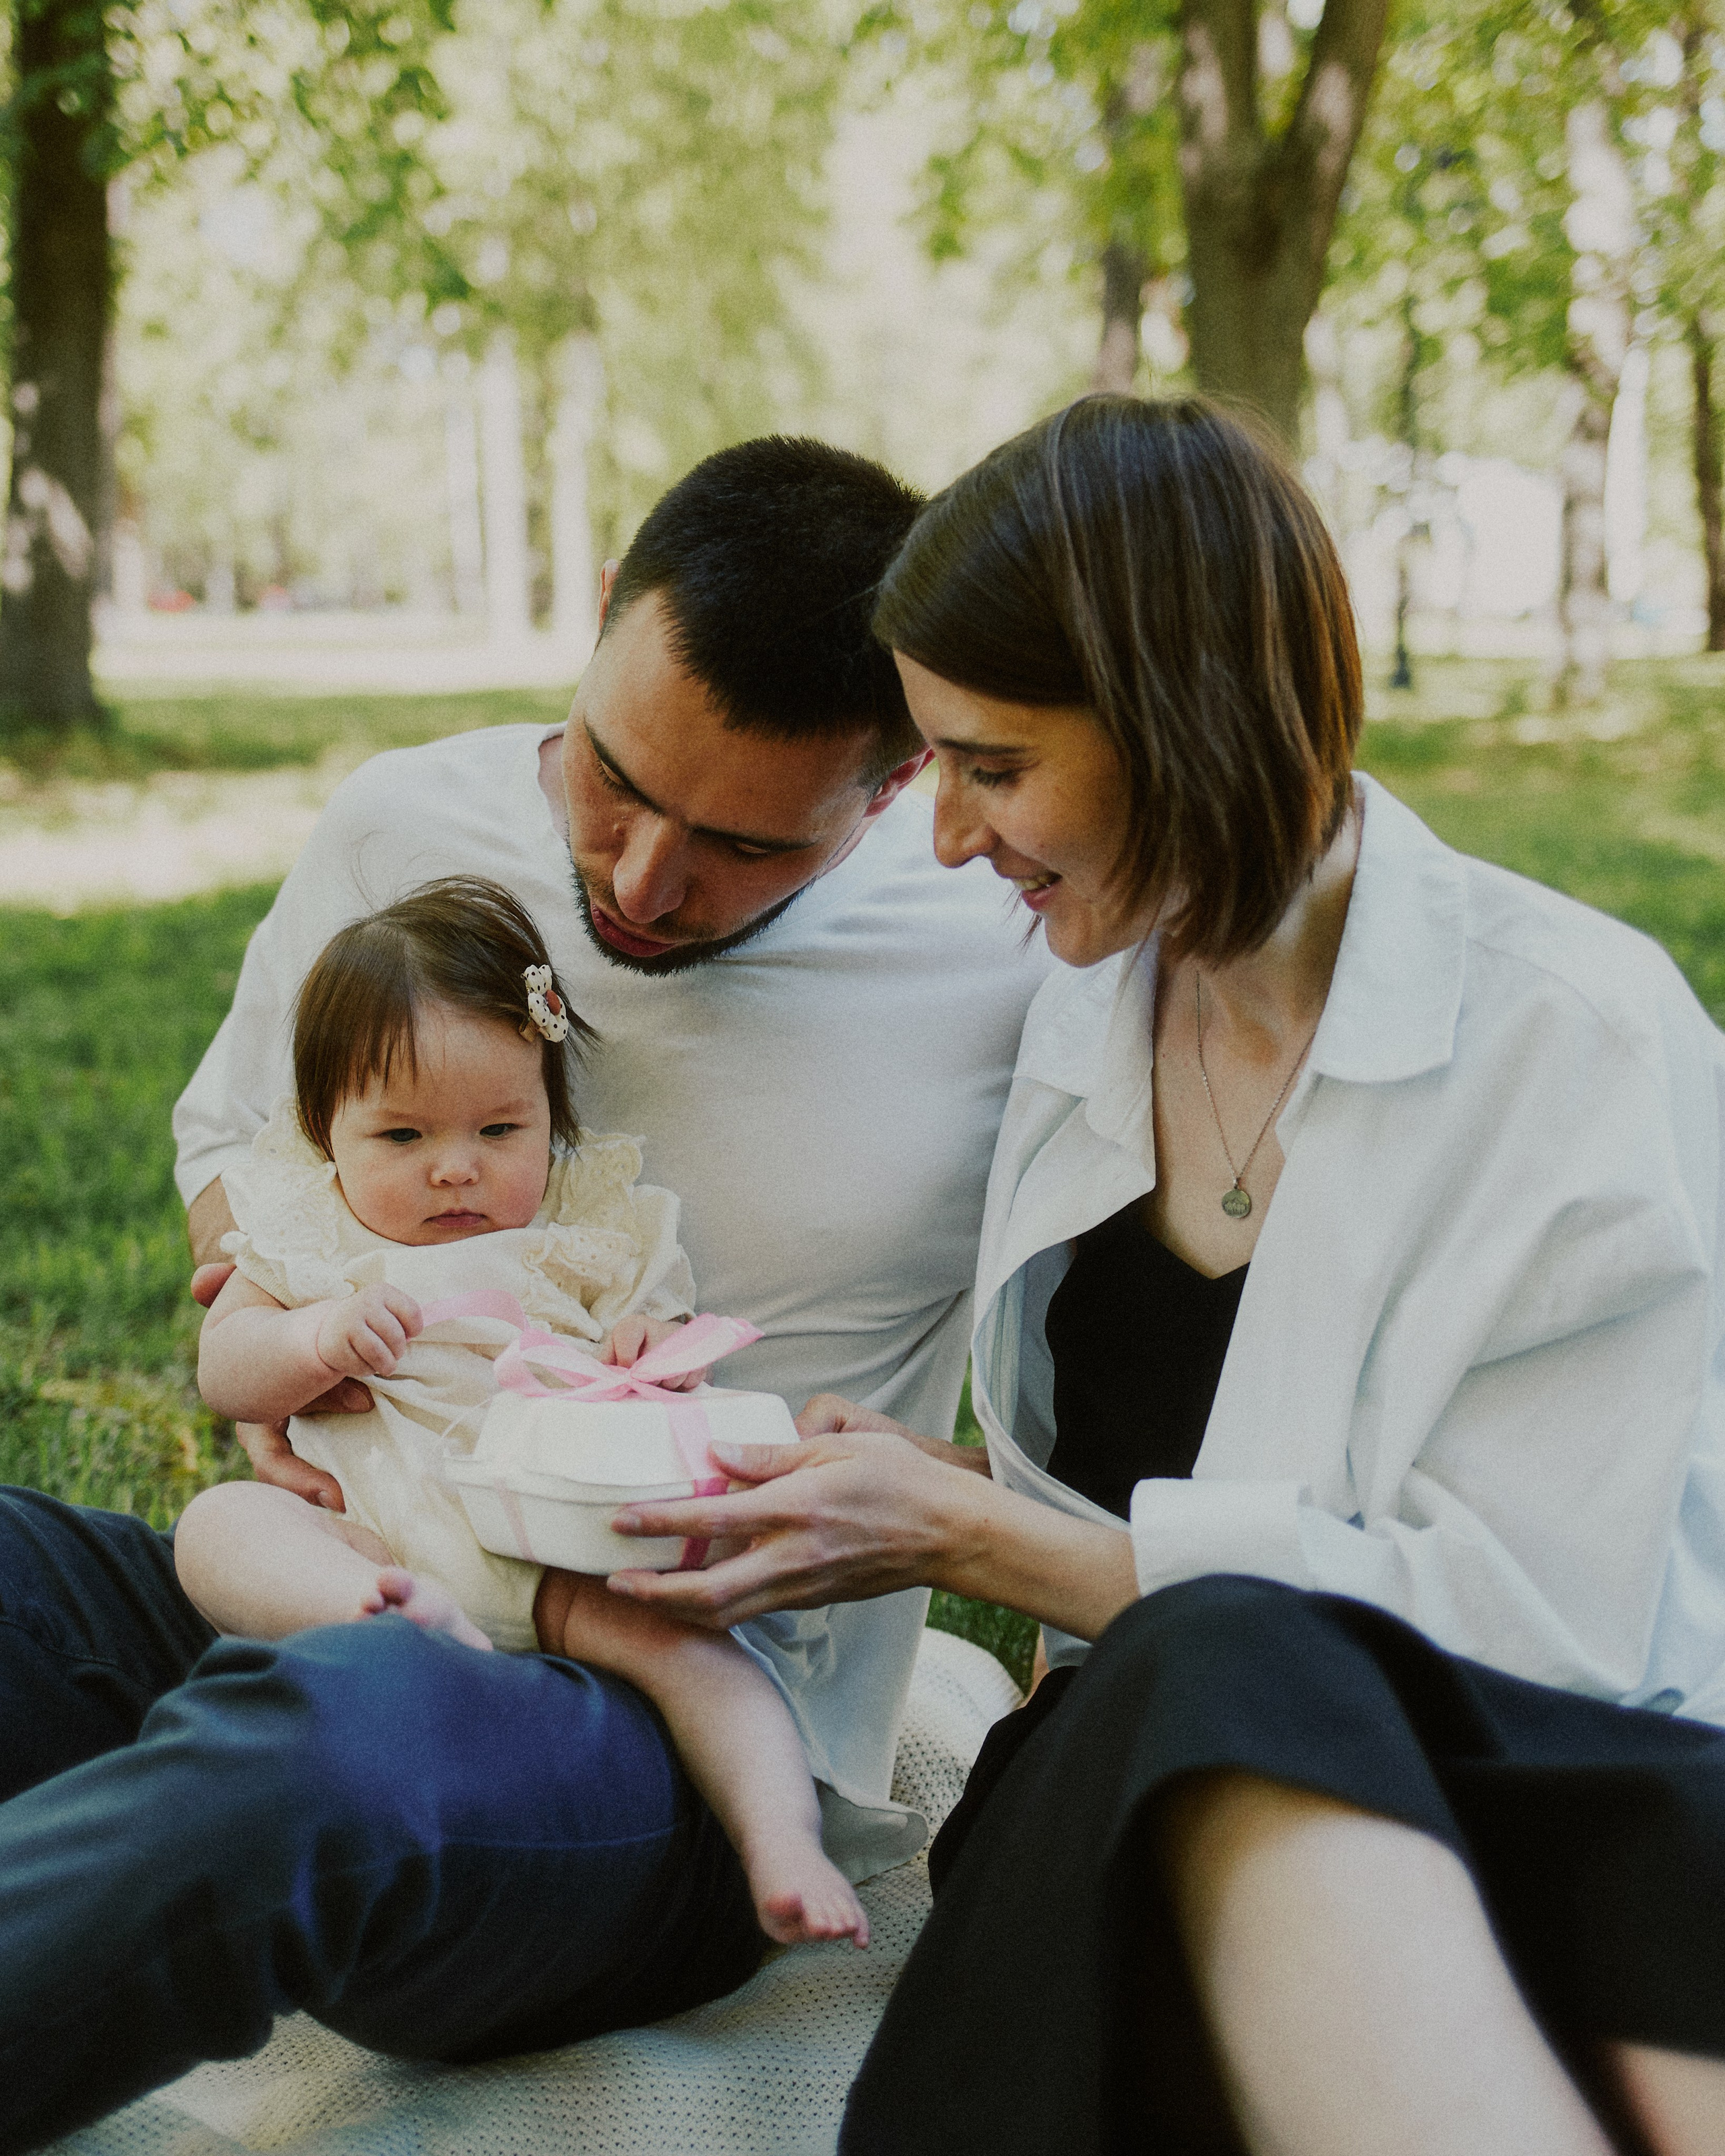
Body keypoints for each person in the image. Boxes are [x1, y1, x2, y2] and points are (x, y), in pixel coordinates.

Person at [603, 398, 1725, 2156]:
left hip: (1548, 1760)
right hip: (1151, 1782)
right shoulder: (1080, 1017)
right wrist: (922, 1492)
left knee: (1637, 1848)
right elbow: (1166, 1504)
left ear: (1178, 716)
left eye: (991, 765)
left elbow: (1544, 1632)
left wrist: (985, 1539)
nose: (950, 838)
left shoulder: (1573, 1039)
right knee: (1215, 1665)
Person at [0, 436, 1047, 2154]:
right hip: (349, 1577)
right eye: (616, 780)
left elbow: (1117, 1390)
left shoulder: (1002, 955)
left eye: (736, 846)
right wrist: (288, 1341)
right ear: (596, 635)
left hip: (663, 1721)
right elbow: (242, 1140)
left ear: (892, 791)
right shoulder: (401, 821)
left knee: (338, 1751)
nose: (639, 881)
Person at [178, 874, 868, 1949]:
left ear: (552, 1114)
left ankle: (781, 1840)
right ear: (327, 1132)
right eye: (401, 1138)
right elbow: (227, 1369)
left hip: (554, 1551)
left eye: (502, 1126)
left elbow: (662, 1332)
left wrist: (648, 1346)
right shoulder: (312, 1237)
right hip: (374, 1528)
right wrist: (311, 1341)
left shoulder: (585, 1229)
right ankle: (386, 1616)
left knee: (709, 1669)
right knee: (219, 1527)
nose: (457, 1168)